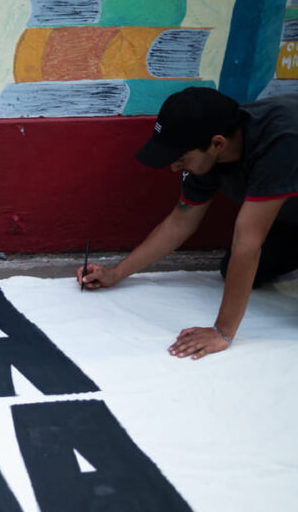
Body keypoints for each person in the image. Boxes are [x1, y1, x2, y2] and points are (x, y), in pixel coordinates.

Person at [78, 87, 298, 360]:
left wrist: (223, 332)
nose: (174, 168)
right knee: (236, 270)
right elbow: (180, 222)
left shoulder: (281, 140)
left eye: (180, 159)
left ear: (217, 144)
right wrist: (116, 273)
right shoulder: (211, 150)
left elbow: (248, 241)